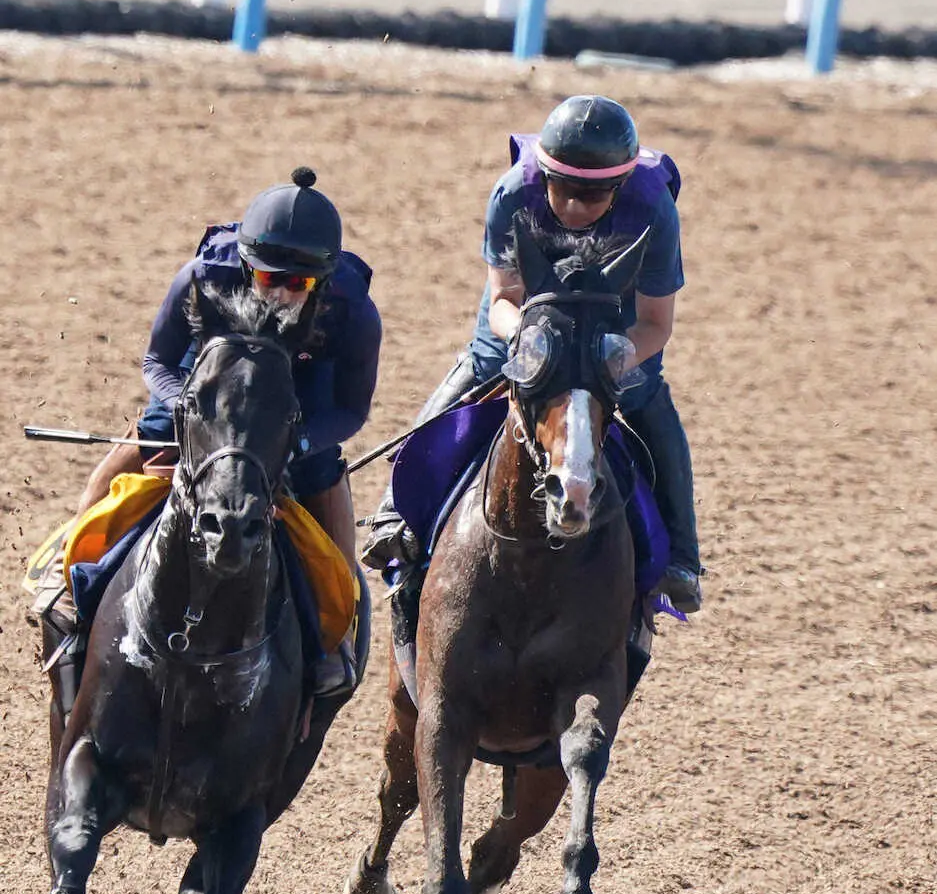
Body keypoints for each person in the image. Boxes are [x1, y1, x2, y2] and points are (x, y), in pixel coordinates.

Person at [34, 166, 382, 694]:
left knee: (330, 517)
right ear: (245, 265)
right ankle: (67, 583)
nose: (281, 296)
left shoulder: (353, 312)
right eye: (269, 278)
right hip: (208, 380)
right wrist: (190, 412)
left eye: (299, 284)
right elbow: (157, 361)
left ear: (324, 281)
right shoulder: (201, 276)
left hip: (299, 396)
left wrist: (298, 441)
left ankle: (334, 640)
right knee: (119, 467)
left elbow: (353, 408)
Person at [361, 94, 701, 613]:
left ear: (621, 186)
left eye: (593, 196)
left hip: (616, 314)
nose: (572, 207)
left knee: (645, 397)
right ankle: (394, 516)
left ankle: (681, 556)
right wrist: (532, 345)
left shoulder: (653, 209)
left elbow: (655, 324)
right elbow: (502, 300)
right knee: (479, 371)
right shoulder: (512, 193)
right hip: (526, 307)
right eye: (563, 188)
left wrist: (604, 362)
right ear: (542, 174)